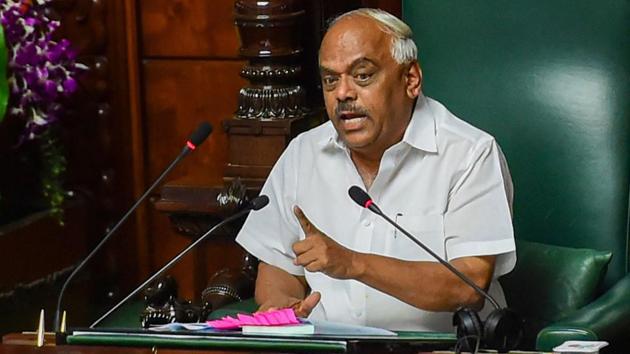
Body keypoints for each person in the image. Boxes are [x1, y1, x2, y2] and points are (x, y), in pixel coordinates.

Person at [235, 8, 516, 332]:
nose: (343, 93)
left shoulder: (469, 155)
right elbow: (278, 264)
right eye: (330, 80)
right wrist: (282, 304)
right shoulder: (303, 153)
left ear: (410, 79)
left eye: (362, 75)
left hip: (437, 349)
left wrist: (352, 263)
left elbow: (468, 286)